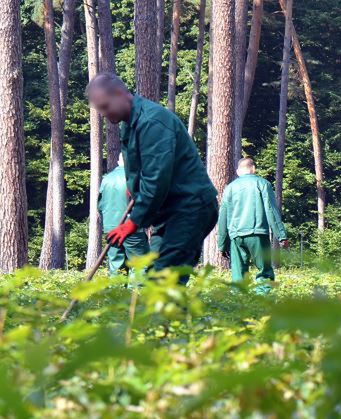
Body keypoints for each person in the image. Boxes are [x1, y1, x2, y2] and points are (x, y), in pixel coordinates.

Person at [86, 72, 218, 284]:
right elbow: (139, 167)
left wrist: (134, 222)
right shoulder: (129, 123)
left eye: (104, 106)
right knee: (154, 278)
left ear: (120, 93)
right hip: (167, 212)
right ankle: (168, 316)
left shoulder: (152, 122)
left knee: (164, 281)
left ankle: (173, 317)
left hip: (190, 208)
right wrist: (133, 188)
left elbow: (156, 179)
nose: (103, 113)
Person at [217, 158, 288, 293]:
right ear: (254, 169)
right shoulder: (263, 184)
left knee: (238, 276)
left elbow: (223, 217)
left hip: (236, 237)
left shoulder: (230, 188)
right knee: (264, 272)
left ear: (238, 172)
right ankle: (261, 305)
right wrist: (281, 236)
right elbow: (271, 210)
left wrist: (222, 244)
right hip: (258, 234)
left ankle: (239, 306)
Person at [97, 154, 150, 279]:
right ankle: (135, 296)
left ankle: (116, 295)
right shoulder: (135, 179)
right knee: (140, 265)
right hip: (131, 228)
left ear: (118, 161)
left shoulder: (106, 179)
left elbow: (100, 205)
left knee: (116, 266)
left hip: (111, 228)